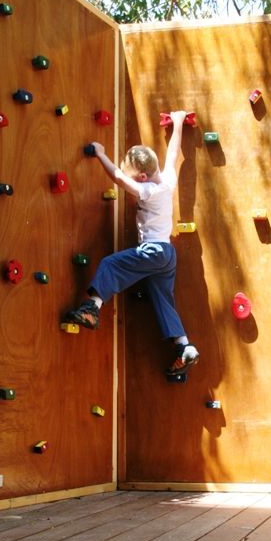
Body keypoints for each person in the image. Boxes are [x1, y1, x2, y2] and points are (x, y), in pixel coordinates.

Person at [65, 110, 199, 376]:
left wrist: (101, 154)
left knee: (110, 265)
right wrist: (179, 122)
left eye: (132, 174)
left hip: (153, 251)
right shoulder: (167, 180)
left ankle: (92, 308)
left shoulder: (147, 190)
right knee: (162, 298)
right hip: (167, 256)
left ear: (141, 177)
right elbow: (173, 153)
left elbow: (118, 178)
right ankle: (184, 345)